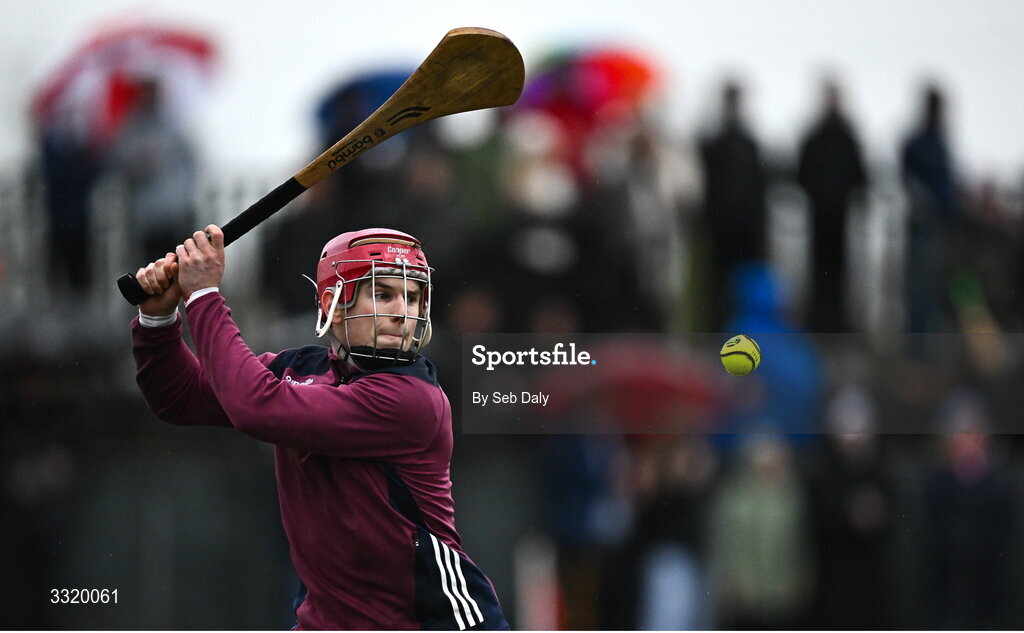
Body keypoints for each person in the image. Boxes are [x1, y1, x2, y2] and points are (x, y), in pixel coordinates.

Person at [130, 226, 509, 630]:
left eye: (412, 297)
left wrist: (204, 295)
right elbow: (180, 397)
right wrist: (158, 319)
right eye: (382, 294)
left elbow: (255, 407)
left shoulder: (411, 399)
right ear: (334, 303)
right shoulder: (299, 368)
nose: (403, 312)